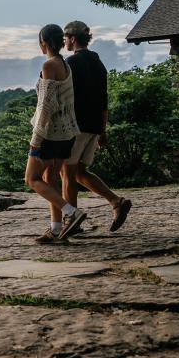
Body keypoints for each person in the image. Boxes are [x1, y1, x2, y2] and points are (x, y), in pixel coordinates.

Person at [59, 20, 132, 236]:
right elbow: (104, 100)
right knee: (80, 172)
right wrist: (103, 131)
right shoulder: (98, 64)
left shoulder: (71, 63)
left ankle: (71, 221)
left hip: (76, 126)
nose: (64, 42)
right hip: (93, 126)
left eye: (65, 38)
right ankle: (116, 201)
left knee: (68, 174)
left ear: (72, 38)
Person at [27, 23, 85, 243]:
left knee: (32, 179)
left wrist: (36, 139)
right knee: (50, 178)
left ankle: (73, 213)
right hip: (68, 133)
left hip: (51, 134)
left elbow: (45, 106)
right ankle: (55, 229)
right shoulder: (65, 64)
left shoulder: (49, 65)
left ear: (43, 42)